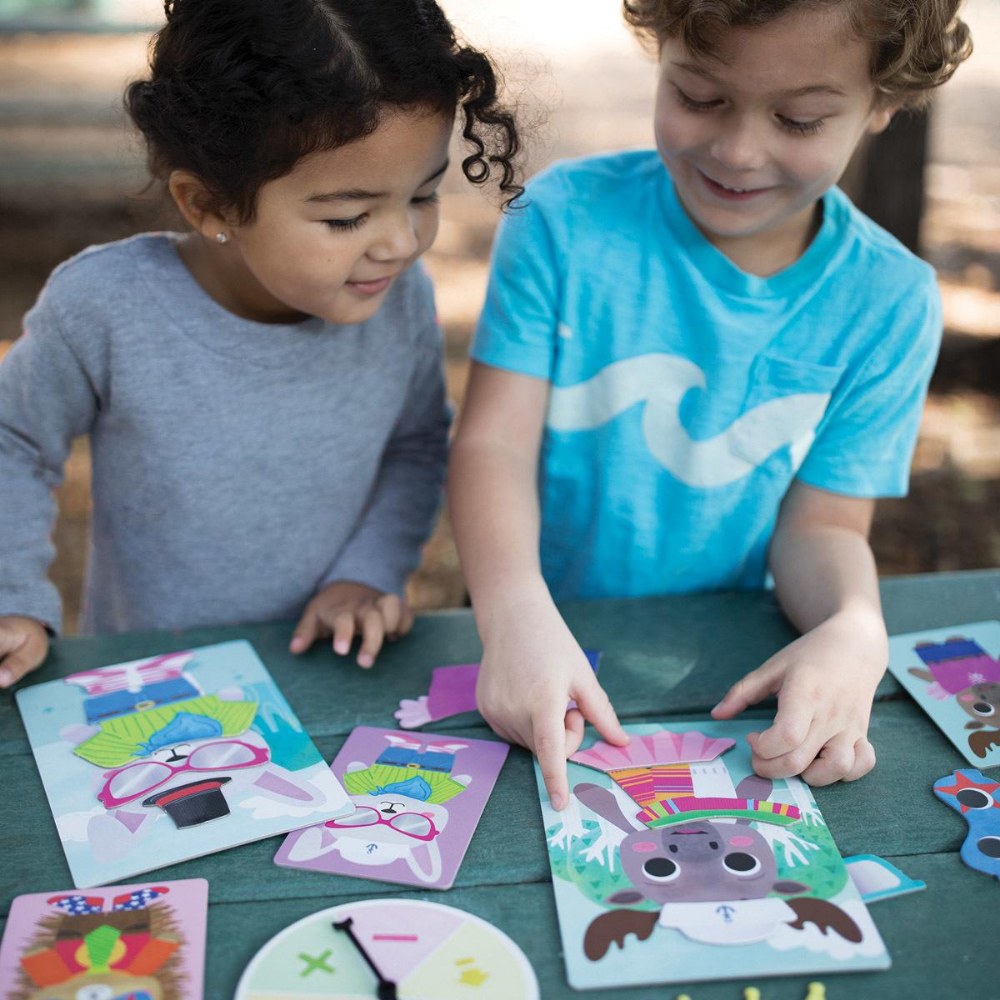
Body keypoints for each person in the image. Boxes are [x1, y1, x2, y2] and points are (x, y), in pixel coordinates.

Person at [449, 0, 972, 809]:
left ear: (885, 103)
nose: (736, 150)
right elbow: (494, 445)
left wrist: (852, 624)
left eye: (798, 120)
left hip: (720, 669)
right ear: (661, 51)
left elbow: (825, 527)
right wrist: (511, 610)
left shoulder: (889, 300)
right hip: (520, 634)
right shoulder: (563, 220)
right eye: (698, 97)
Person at [0, 0, 522, 689]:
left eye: (423, 196)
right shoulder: (105, 306)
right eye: (348, 217)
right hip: (150, 685)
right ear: (208, 205)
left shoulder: (400, 299)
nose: (402, 243)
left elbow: (415, 446)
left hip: (329, 676)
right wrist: (12, 599)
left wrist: (367, 575)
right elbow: (14, 441)